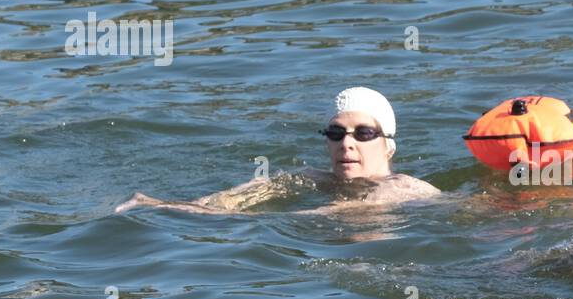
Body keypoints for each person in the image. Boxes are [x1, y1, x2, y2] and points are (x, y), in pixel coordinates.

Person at [116, 87, 439, 215]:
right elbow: (224, 203)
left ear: (388, 146)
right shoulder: (310, 179)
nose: (347, 143)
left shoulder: (405, 189)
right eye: (336, 133)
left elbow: (336, 214)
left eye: (364, 133)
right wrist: (155, 204)